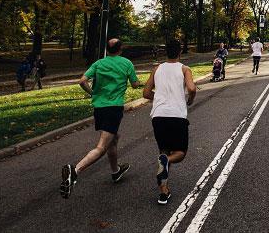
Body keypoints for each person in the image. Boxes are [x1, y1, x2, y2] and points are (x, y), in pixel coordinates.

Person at [60, 38, 141, 199]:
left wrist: (93, 93)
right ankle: (75, 171)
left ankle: (115, 172)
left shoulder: (99, 64)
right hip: (114, 108)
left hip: (99, 108)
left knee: (114, 138)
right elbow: (135, 84)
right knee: (102, 146)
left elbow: (82, 81)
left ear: (107, 49)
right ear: (121, 49)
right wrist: (136, 82)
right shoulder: (126, 63)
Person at [143, 40, 197, 205]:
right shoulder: (184, 69)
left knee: (164, 152)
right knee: (179, 153)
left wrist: (158, 98)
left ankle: (163, 193)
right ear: (180, 52)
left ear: (165, 52)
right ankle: (167, 163)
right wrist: (190, 100)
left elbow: (145, 93)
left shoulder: (157, 69)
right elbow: (192, 89)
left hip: (158, 116)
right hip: (177, 115)